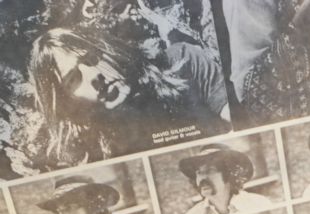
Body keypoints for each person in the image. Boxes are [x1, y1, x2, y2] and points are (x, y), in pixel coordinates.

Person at [28, 27, 229, 169]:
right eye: (73, 79)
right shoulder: (90, 153)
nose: (95, 75)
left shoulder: (182, 61)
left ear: (107, 50)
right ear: (67, 101)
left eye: (91, 58)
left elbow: (236, 122)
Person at [178, 144, 272, 214]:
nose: (203, 178)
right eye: (199, 172)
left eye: (210, 170)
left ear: (229, 175)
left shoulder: (258, 204)